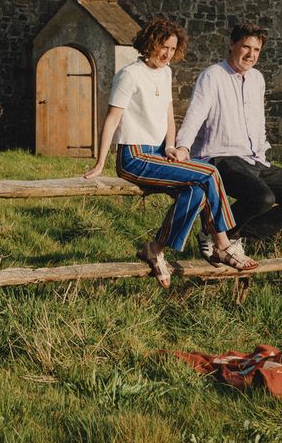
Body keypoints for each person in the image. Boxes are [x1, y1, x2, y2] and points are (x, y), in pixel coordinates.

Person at [83, 17, 258, 286]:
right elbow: (112, 119)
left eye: (173, 49)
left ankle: (155, 248)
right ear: (149, 44)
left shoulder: (166, 72)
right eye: (162, 46)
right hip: (135, 157)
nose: (167, 54)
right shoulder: (129, 75)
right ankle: (223, 243)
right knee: (209, 171)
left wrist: (170, 145)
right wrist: (100, 162)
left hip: (158, 153)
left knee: (196, 192)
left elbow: (168, 115)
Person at [170, 22, 282, 260]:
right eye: (246, 47)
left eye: (257, 50)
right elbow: (195, 114)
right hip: (220, 157)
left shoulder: (257, 79)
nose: (251, 55)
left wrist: (262, 155)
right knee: (263, 198)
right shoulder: (213, 76)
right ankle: (218, 232)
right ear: (232, 45)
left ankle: (229, 234)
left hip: (254, 159)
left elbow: (257, 121)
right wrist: (182, 147)